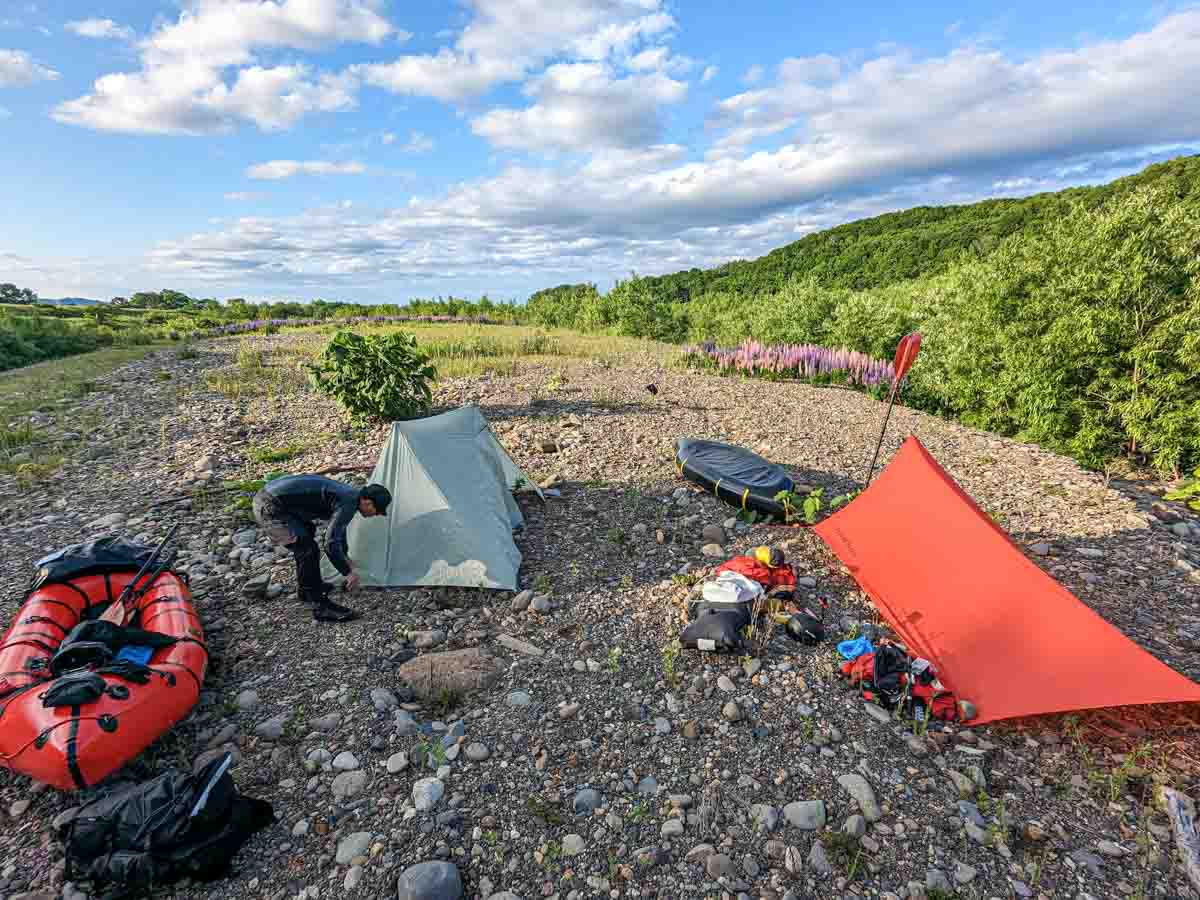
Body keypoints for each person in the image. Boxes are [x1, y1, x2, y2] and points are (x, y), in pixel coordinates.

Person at [251, 474, 391, 623]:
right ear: (368, 503)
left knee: (307, 534)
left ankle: (306, 590)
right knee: (307, 549)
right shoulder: (349, 502)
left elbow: (338, 531)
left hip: (276, 501)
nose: (375, 515)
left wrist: (345, 556)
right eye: (377, 511)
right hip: (270, 507)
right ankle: (321, 607)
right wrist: (347, 573)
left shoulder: (351, 497)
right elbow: (330, 542)